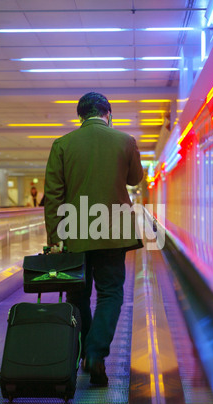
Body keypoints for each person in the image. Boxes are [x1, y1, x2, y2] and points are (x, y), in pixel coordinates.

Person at [44, 91, 143, 386]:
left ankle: (83, 352)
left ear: (80, 117)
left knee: (77, 295)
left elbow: (53, 196)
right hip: (113, 231)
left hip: (75, 233)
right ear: (108, 115)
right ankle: (95, 355)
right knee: (111, 293)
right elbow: (135, 178)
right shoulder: (125, 141)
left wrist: (55, 237)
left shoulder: (62, 145)